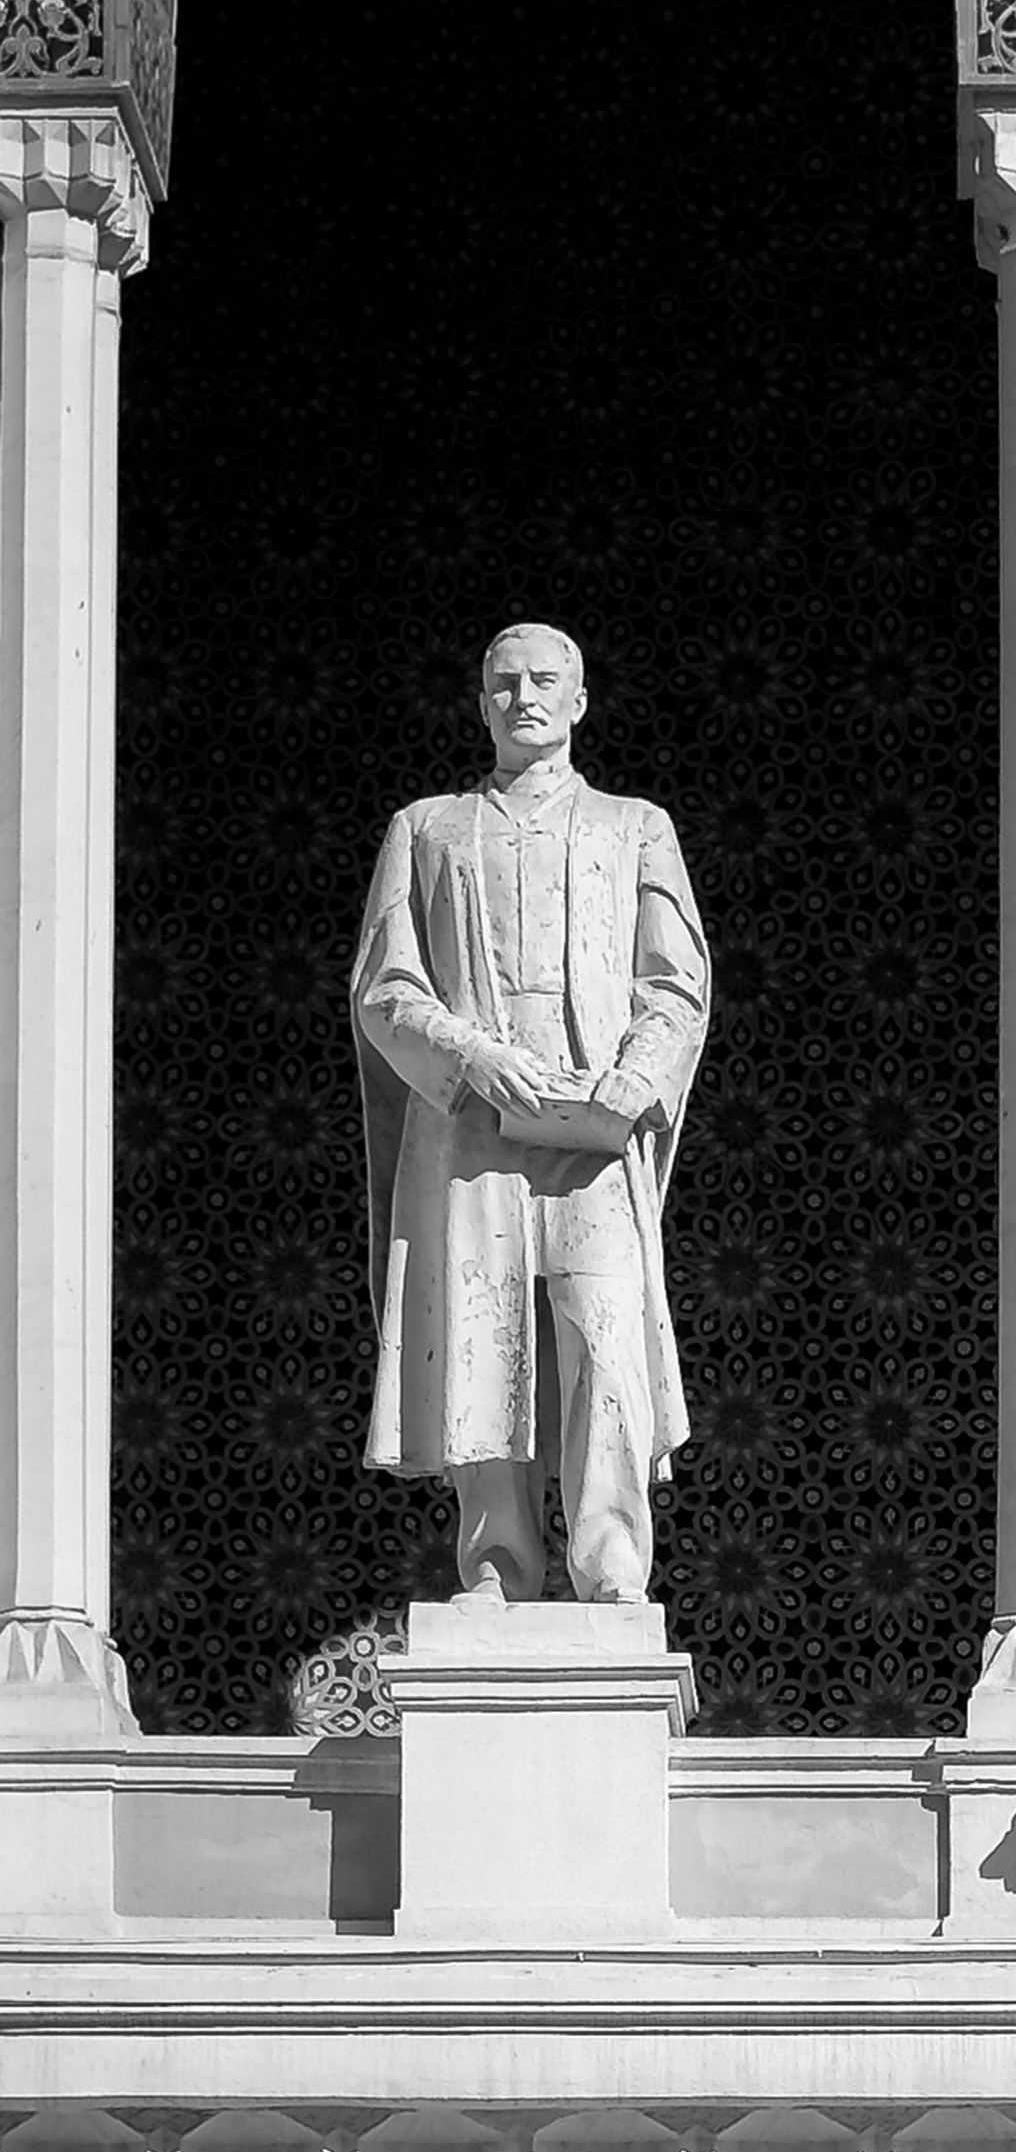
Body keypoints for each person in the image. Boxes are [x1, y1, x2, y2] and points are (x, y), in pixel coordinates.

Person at [352, 620, 712, 1604]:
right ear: (481, 704)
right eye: (504, 684)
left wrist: (636, 1077)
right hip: (474, 1123)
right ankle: (498, 1565)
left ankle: (608, 1569)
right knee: (485, 1339)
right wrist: (469, 1055)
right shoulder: (426, 828)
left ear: (580, 699)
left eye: (544, 681)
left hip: (592, 1128)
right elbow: (387, 989)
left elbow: (674, 984)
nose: (524, 698)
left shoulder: (635, 826)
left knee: (602, 1337)